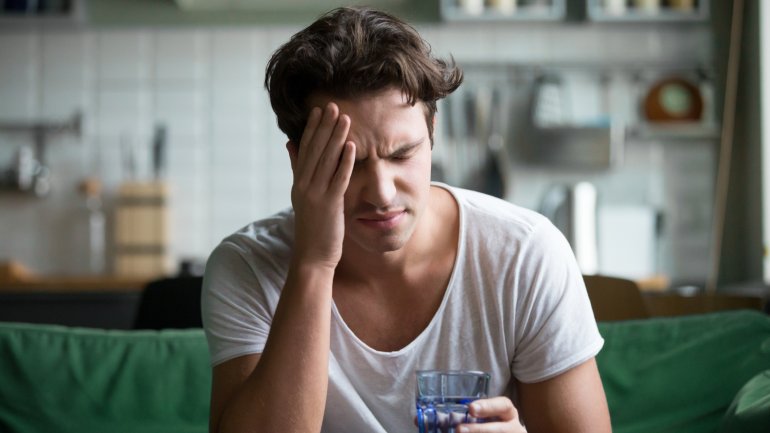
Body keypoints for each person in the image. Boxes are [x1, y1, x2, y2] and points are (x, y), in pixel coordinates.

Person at [201, 6, 612, 433]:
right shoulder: (247, 266)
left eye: (402, 154)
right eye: (349, 162)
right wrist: (314, 262)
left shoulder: (526, 254)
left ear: (431, 132)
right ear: (299, 162)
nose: (381, 192)